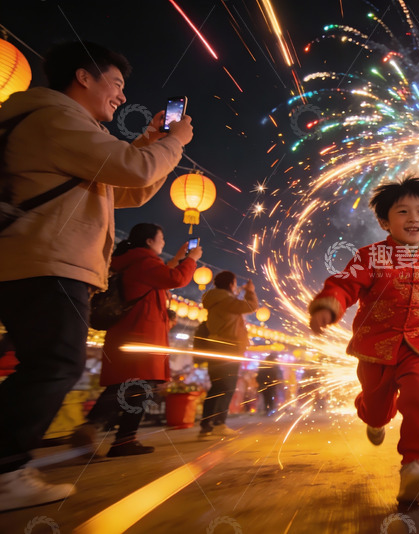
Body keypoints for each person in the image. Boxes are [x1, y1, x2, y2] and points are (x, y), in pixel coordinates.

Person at [0, 41, 193, 510]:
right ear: (83, 77)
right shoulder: (55, 118)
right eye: (117, 83)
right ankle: (5, 470)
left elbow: (127, 189)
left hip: (38, 259)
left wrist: (151, 142)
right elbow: (132, 170)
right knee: (55, 364)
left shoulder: (64, 126)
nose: (122, 96)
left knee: (44, 363)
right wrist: (174, 141)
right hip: (48, 261)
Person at [308, 176, 419, 503]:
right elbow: (344, 285)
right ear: (385, 222)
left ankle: (413, 466)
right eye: (403, 211)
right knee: (376, 410)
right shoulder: (369, 256)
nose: (414, 218)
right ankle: (373, 418)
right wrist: (329, 307)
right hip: (376, 346)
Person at [72, 224, 200, 455]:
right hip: (142, 335)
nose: (163, 242)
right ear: (149, 241)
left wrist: (180, 257)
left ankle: (124, 439)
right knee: (133, 385)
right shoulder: (144, 263)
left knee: (136, 385)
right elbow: (176, 279)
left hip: (130, 333)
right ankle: (93, 427)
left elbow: (159, 277)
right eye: (161, 238)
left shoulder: (136, 263)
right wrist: (191, 260)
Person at [198, 271, 258, 438]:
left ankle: (206, 426)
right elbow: (251, 306)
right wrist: (250, 291)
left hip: (215, 347)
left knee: (216, 387)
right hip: (229, 348)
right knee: (228, 386)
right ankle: (219, 424)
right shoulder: (226, 301)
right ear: (231, 284)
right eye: (235, 282)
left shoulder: (216, 299)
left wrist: (239, 291)